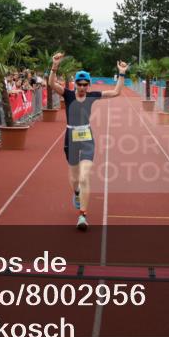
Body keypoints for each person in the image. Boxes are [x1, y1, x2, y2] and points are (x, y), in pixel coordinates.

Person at [48, 52, 128, 231]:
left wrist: (121, 73)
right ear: (75, 84)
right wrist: (55, 65)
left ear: (89, 85)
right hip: (70, 138)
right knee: (75, 179)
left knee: (84, 177)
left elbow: (115, 92)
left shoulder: (92, 96)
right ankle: (76, 193)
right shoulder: (68, 95)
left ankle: (82, 216)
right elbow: (51, 83)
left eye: (85, 84)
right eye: (79, 84)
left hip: (87, 138)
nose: (82, 87)